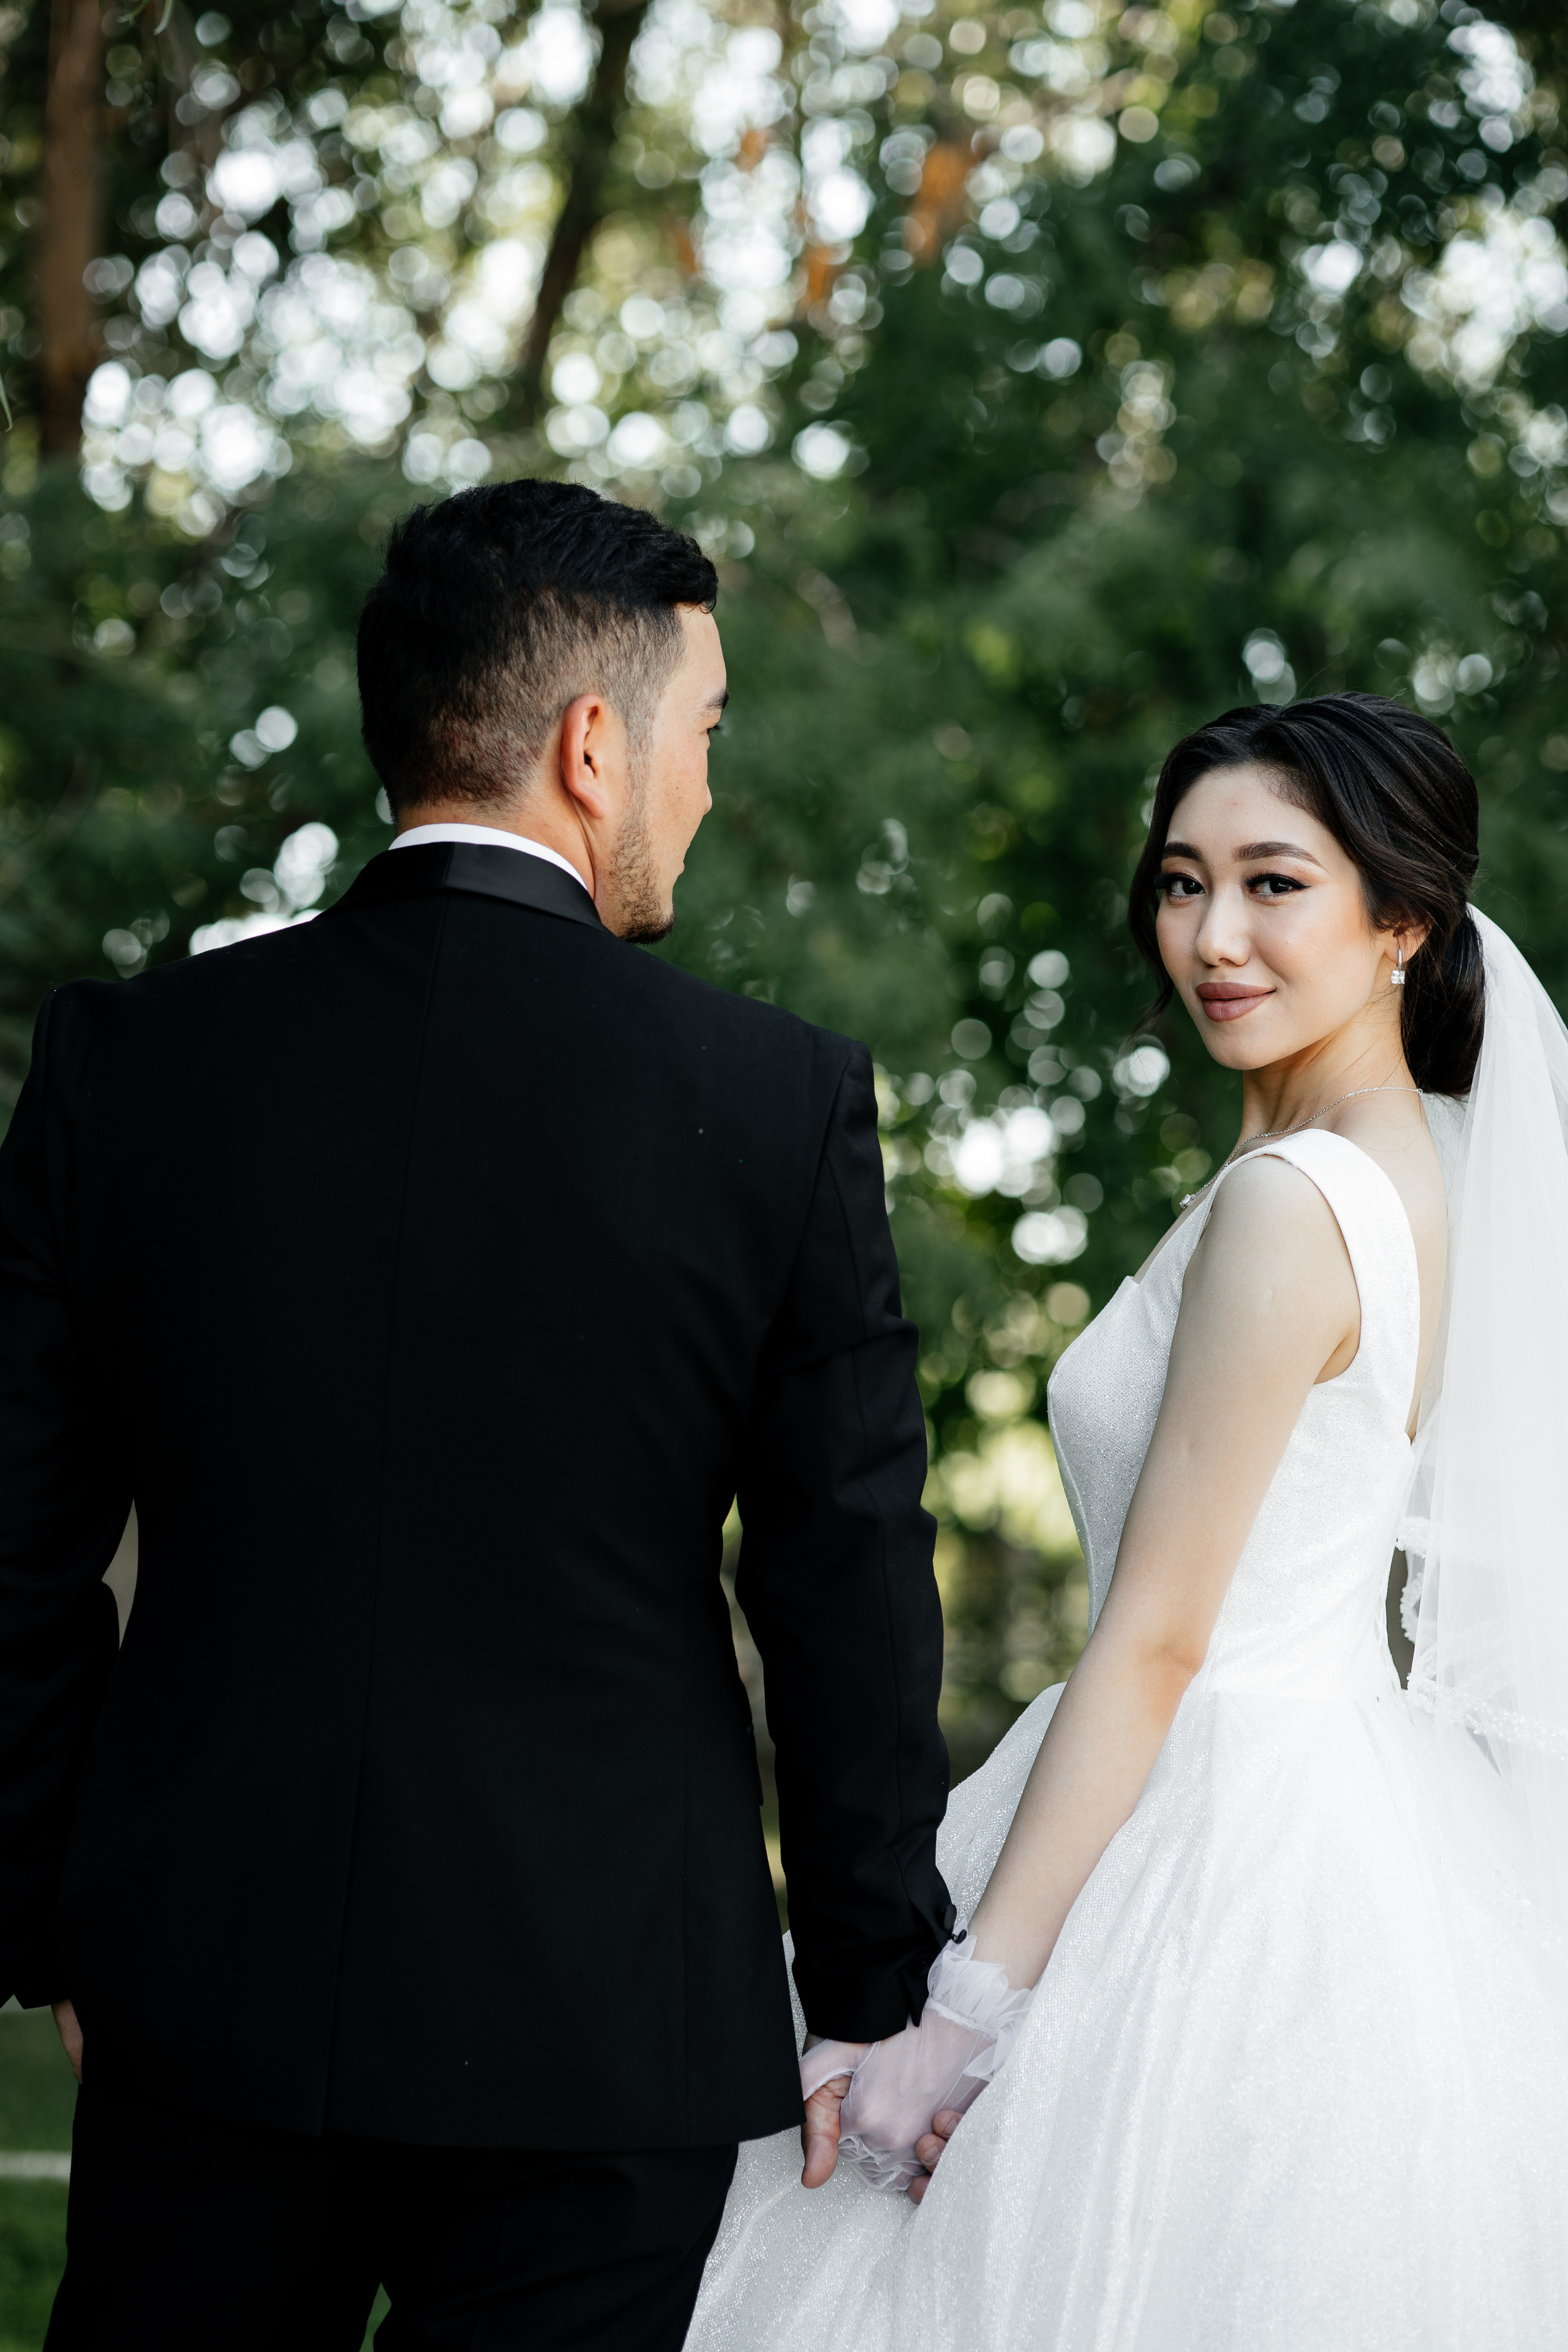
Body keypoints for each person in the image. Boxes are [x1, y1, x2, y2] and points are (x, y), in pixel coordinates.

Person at [0, 478, 954, 2350]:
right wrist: (867, 1983)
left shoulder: (128, 1064)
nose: (703, 786)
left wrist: (51, 1917)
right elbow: (845, 1581)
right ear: (593, 747)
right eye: (703, 734)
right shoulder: (774, 1105)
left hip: (200, 1991)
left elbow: (15, 1549)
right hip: (601, 2027)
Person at [690, 692, 1568, 2350]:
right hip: (1349, 1820)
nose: (1213, 935)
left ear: (1405, 923)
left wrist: (967, 2009)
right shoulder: (1423, 1170)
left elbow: (1163, 1638)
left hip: (1207, 1830)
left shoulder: (1293, 1204)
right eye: (1182, 881)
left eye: (1274, 884)